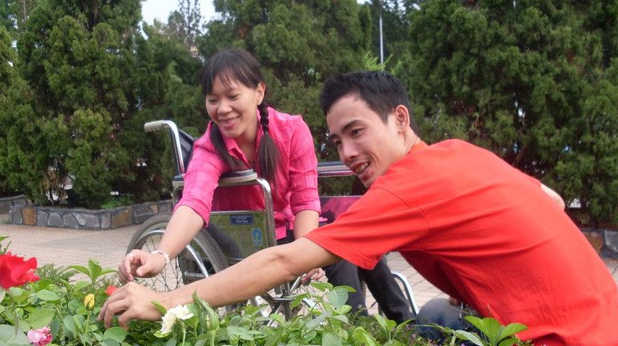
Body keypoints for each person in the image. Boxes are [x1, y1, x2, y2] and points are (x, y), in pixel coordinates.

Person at [101, 70, 618, 346]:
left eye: (357, 132)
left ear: (400, 119)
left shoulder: (396, 183)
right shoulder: (459, 151)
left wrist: (167, 301)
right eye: (338, 141)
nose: (347, 152)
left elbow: (289, 253)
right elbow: (551, 200)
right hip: (610, 333)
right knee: (439, 310)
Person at [116, 49, 411, 321]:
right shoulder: (210, 148)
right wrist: (161, 254)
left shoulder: (292, 130)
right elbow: (193, 203)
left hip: (292, 231)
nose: (223, 109)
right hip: (247, 241)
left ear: (259, 92)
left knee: (356, 239)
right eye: (213, 99)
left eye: (232, 96)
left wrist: (309, 253)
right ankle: (358, 329)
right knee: (341, 251)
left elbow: (306, 201)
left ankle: (404, 324)